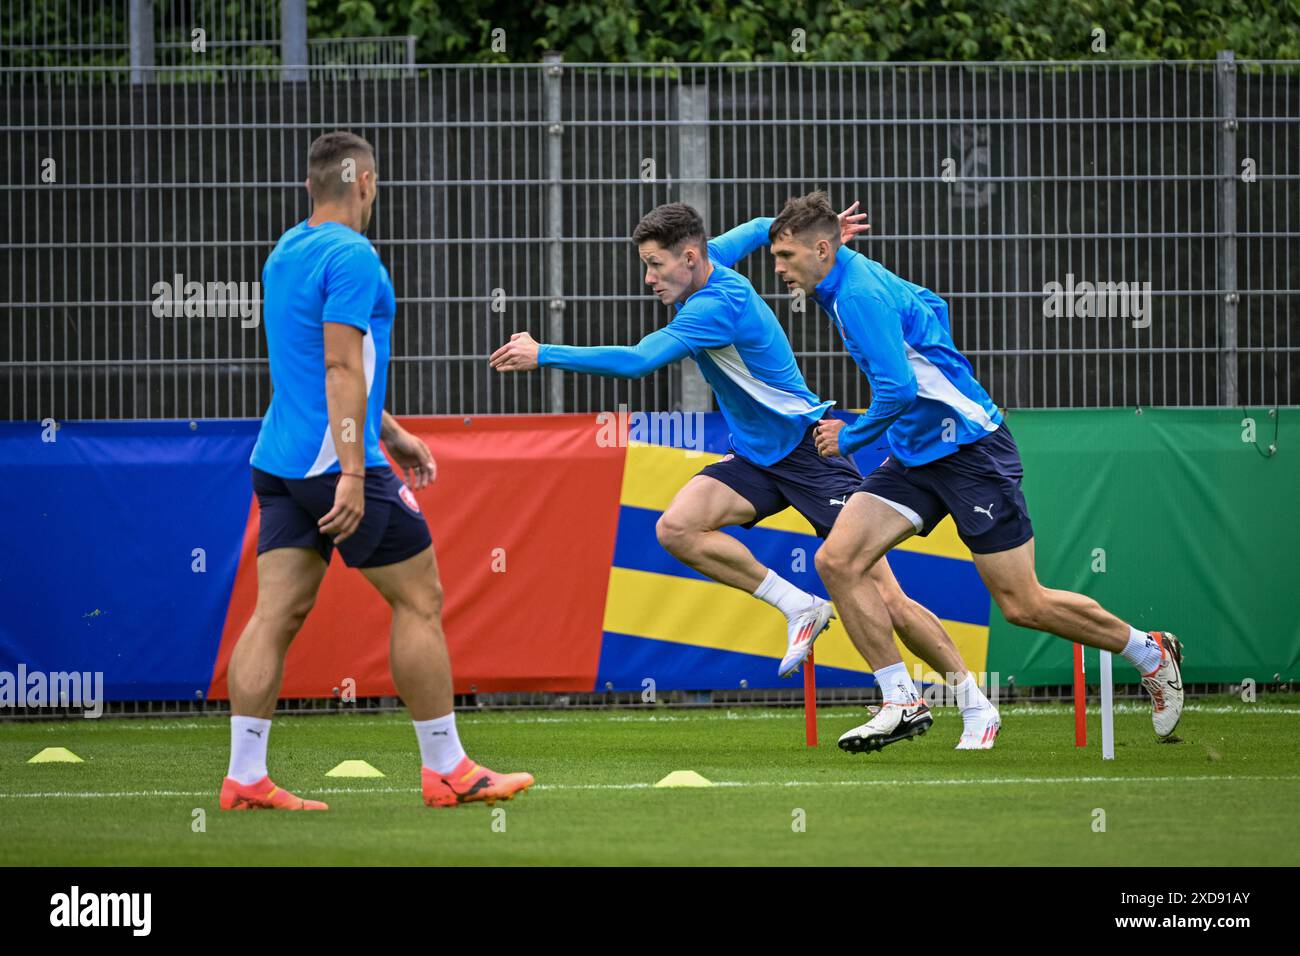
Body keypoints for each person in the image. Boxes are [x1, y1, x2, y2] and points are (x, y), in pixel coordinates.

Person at [491, 202, 1002, 748]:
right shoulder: (711, 257)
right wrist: (821, 232)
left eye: (654, 264)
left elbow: (639, 360)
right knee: (678, 528)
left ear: (688, 258)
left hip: (808, 455)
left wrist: (544, 352)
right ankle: (797, 604)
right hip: (759, 457)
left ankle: (972, 704)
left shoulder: (714, 305)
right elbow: (762, 229)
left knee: (887, 597)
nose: (648, 279)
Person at [720, 191, 1182, 753]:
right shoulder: (840, 275)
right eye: (775, 256)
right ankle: (899, 699)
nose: (777, 268)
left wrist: (851, 437)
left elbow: (898, 387)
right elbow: (932, 304)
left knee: (1022, 604)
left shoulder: (859, 294)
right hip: (916, 455)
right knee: (838, 559)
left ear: (822, 250)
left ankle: (1148, 651)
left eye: (786, 257)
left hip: (970, 452)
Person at [221, 131, 533, 809]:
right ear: (365, 182)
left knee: (275, 613)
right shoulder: (354, 255)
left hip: (278, 463)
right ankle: (448, 768)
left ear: (312, 187)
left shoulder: (286, 250)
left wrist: (390, 432)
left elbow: (316, 365)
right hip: (333, 463)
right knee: (419, 600)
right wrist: (358, 471)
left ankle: (244, 777)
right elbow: (338, 365)